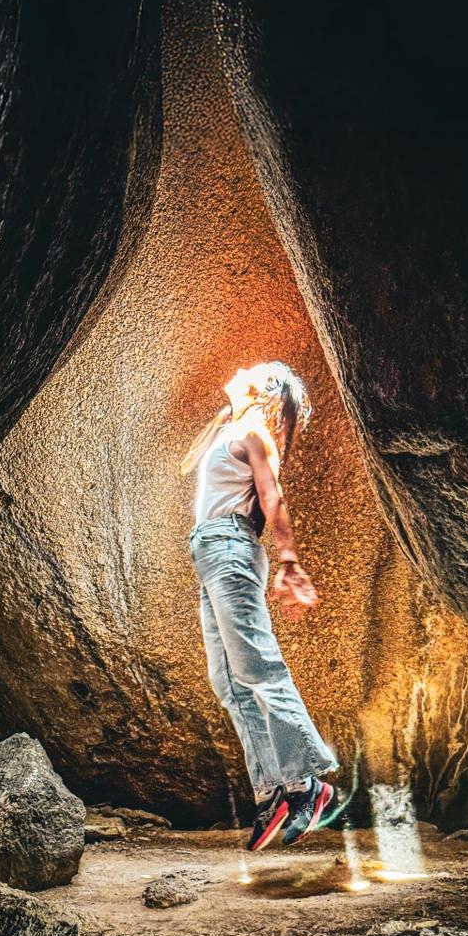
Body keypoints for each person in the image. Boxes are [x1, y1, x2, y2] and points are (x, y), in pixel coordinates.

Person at [181, 361, 338, 851]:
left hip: (229, 547)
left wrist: (289, 559)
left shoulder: (253, 430)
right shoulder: (231, 428)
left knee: (257, 668)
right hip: (210, 552)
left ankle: (307, 782)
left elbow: (273, 497)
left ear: (262, 390)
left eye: (252, 368)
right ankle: (272, 791)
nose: (240, 367)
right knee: (227, 682)